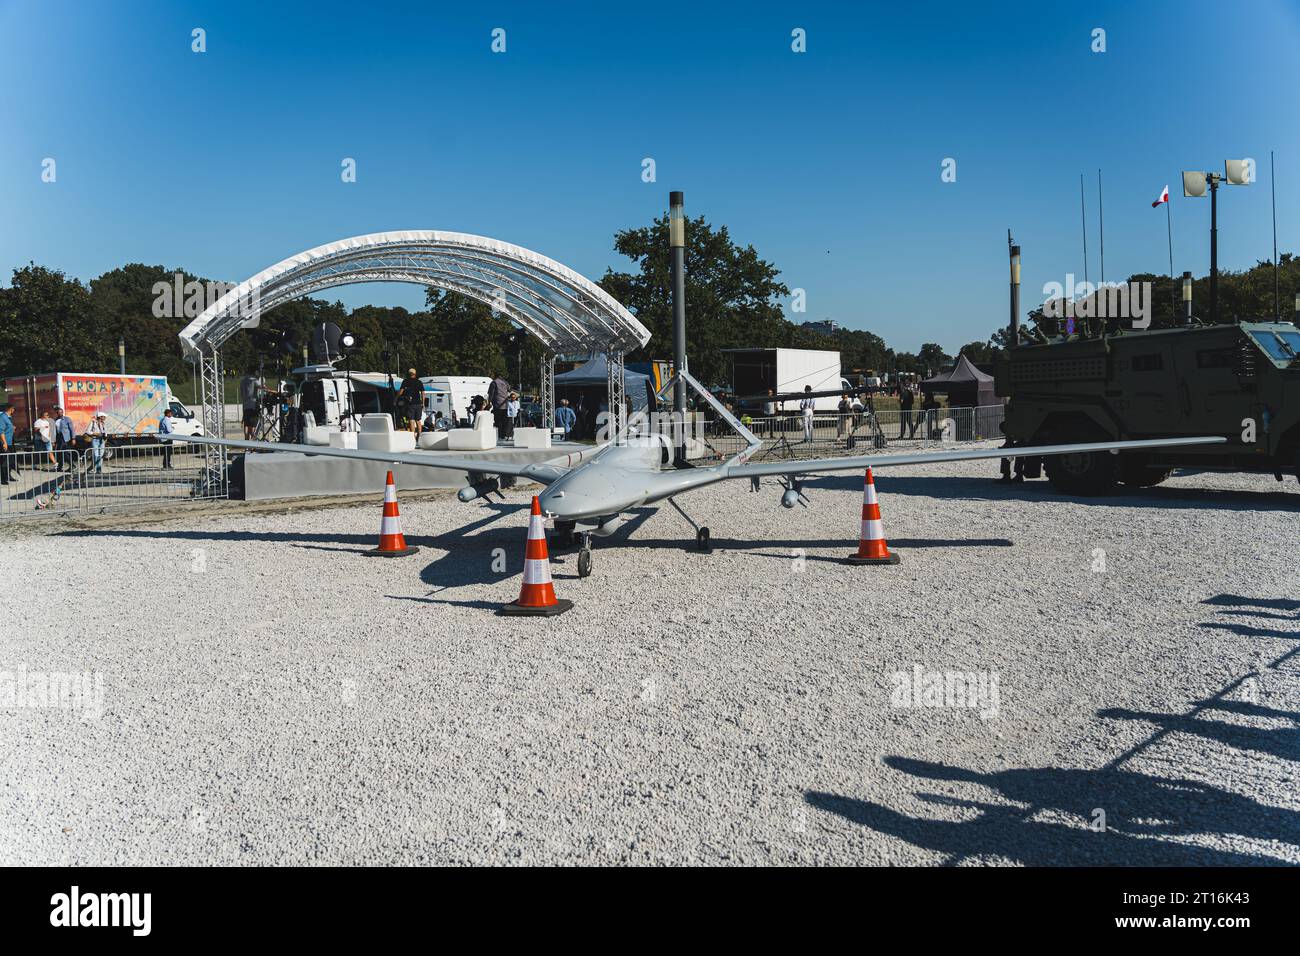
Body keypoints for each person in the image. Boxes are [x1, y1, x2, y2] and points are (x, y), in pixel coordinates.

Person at [396, 369, 424, 435]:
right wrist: (423, 403)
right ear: (415, 374)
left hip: (410, 404)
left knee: (411, 420)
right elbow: (423, 393)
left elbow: (401, 392)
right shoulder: (419, 382)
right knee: (418, 420)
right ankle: (420, 436)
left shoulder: (405, 381)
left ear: (408, 374)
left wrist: (396, 398)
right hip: (418, 403)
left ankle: (413, 437)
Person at [487, 370, 511, 437]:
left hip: (497, 405)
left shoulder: (494, 383)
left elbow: (491, 394)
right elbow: (509, 389)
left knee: (498, 421)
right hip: (505, 405)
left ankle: (499, 435)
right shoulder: (505, 382)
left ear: (495, 375)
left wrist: (489, 402)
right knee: (504, 421)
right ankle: (504, 434)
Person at [0, 404, 14, 485]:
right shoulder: (2, 417)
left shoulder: (8, 417)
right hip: (4, 443)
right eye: (13, 409)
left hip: (10, 442)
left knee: (10, 460)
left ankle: (8, 476)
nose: (14, 410)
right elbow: (1, 431)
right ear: (11, 409)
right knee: (4, 461)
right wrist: (4, 442)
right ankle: (3, 479)